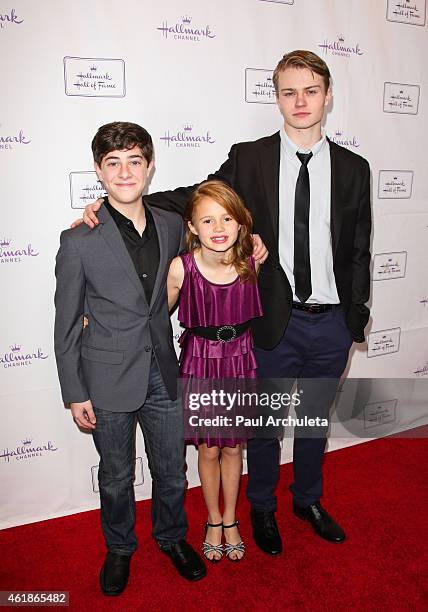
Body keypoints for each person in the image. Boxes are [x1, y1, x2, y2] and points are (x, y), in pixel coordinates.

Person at [78, 50, 372, 555]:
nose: (300, 102)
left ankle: (307, 499)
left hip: (331, 325)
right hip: (273, 321)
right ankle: (260, 508)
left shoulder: (354, 168)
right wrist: (122, 203)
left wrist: (354, 319)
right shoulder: (250, 157)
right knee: (260, 428)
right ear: (275, 96)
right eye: (288, 91)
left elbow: (358, 246)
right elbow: (197, 198)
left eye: (310, 90)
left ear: (327, 95)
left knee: (313, 422)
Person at [54, 121, 206, 596]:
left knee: (170, 469)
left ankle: (172, 537)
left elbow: (220, 215)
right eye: (113, 163)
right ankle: (120, 547)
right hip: (107, 377)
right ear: (98, 171)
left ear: (150, 166)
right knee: (117, 476)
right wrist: (74, 391)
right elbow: (66, 321)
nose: (125, 172)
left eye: (134, 161)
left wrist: (255, 241)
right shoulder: (79, 239)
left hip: (162, 370)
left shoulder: (169, 223)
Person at [167, 180, 263, 562]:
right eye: (207, 220)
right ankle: (211, 520)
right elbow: (153, 316)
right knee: (208, 450)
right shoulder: (181, 268)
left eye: (226, 218)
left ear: (241, 224)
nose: (218, 228)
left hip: (240, 362)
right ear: (191, 227)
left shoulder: (252, 263)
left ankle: (230, 520)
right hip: (200, 364)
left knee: (233, 448)